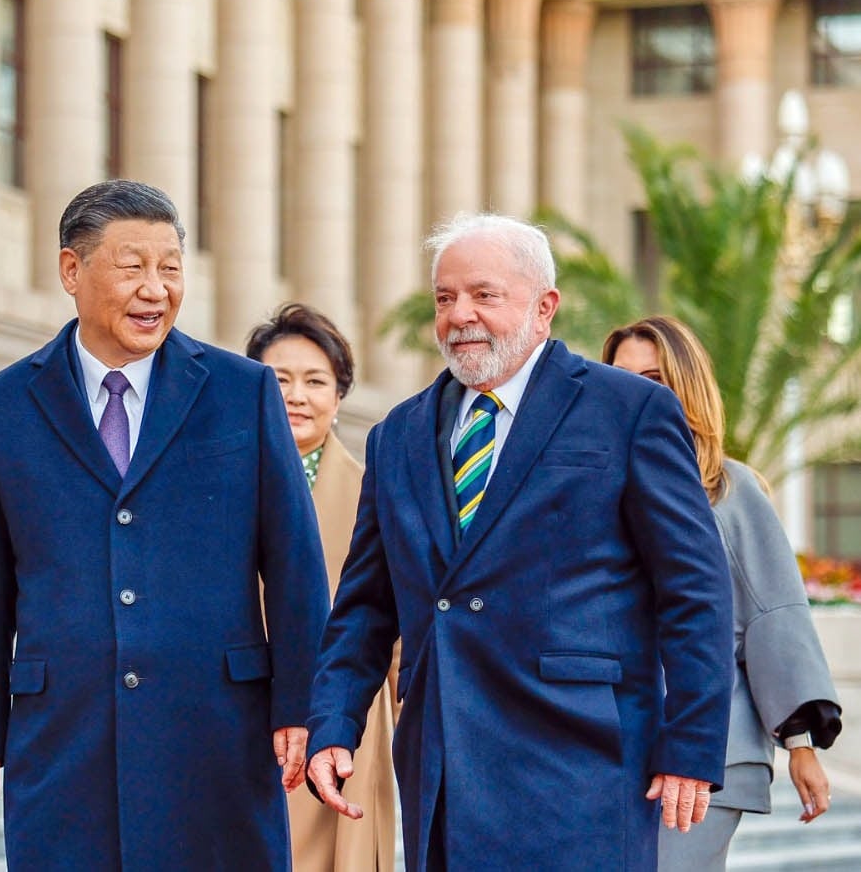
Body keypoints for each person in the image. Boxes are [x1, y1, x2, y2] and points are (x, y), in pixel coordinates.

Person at [305, 212, 735, 872]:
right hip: (443, 768)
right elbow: (365, 605)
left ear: (545, 308)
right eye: (445, 298)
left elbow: (695, 591)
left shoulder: (630, 411)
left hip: (583, 768)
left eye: (484, 294)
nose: (460, 315)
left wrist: (693, 744)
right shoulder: (396, 436)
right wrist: (334, 725)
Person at [0, 179, 330, 870]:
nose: (155, 289)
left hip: (217, 732)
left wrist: (303, 705)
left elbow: (295, 565)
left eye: (171, 268)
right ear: (72, 270)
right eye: (132, 268)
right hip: (63, 739)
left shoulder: (241, 392)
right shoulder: (1, 407)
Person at [603, 315, 843, 870]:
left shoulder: (729, 491)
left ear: (687, 387)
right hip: (612, 749)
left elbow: (774, 618)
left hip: (712, 751)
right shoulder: (598, 490)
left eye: (655, 378)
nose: (637, 392)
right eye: (622, 378)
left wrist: (800, 745)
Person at [245, 303, 398, 872]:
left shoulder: (372, 491)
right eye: (278, 380)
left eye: (315, 381)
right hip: (242, 713)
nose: (296, 396)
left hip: (340, 722)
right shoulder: (214, 488)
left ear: (338, 397)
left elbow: (396, 621)